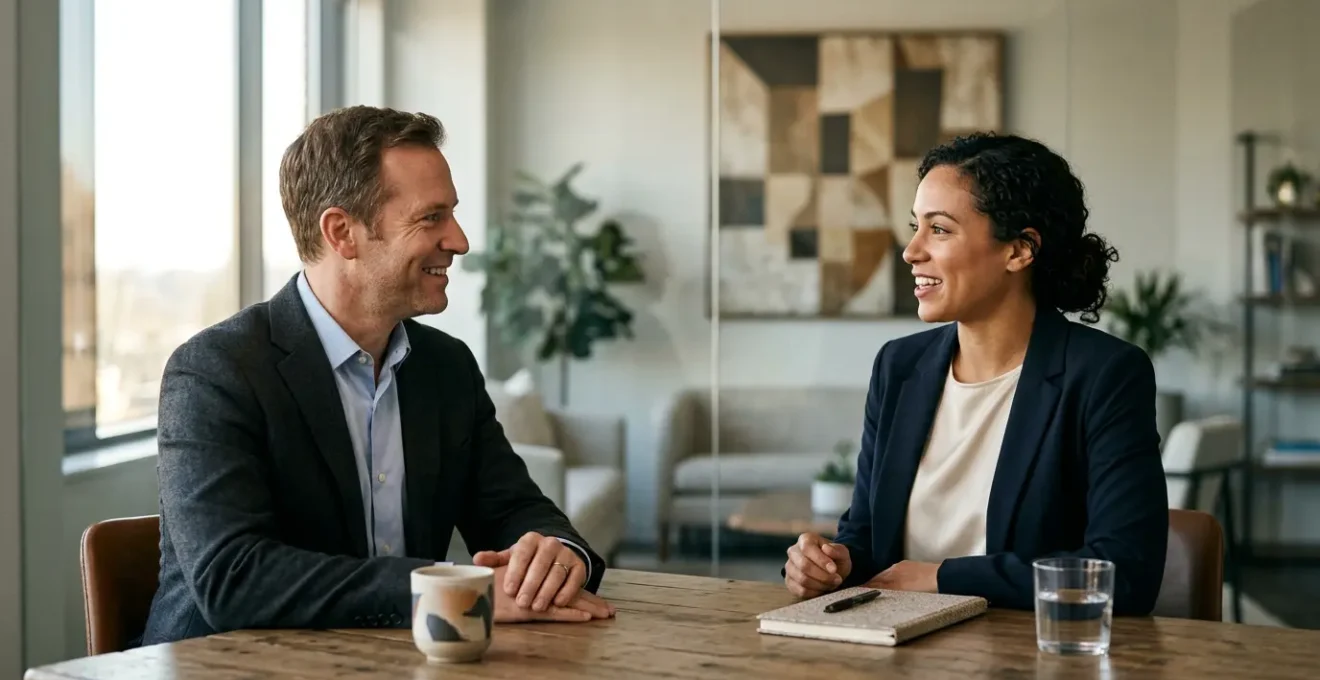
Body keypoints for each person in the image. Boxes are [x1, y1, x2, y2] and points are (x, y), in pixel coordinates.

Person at [142, 106, 614, 645]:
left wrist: (556, 554)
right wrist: (446, 591)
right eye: (431, 217)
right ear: (342, 232)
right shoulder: (215, 371)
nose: (459, 240)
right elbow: (232, 579)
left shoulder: (447, 368)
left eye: (452, 215)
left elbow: (515, 509)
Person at [783, 132, 1168, 616]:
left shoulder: (1105, 374)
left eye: (939, 230)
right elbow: (865, 539)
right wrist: (830, 563)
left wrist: (942, 577)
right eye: (915, 226)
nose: (911, 251)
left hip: (1028, 654)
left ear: (1019, 251)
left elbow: (1125, 573)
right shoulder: (898, 367)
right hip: (893, 648)